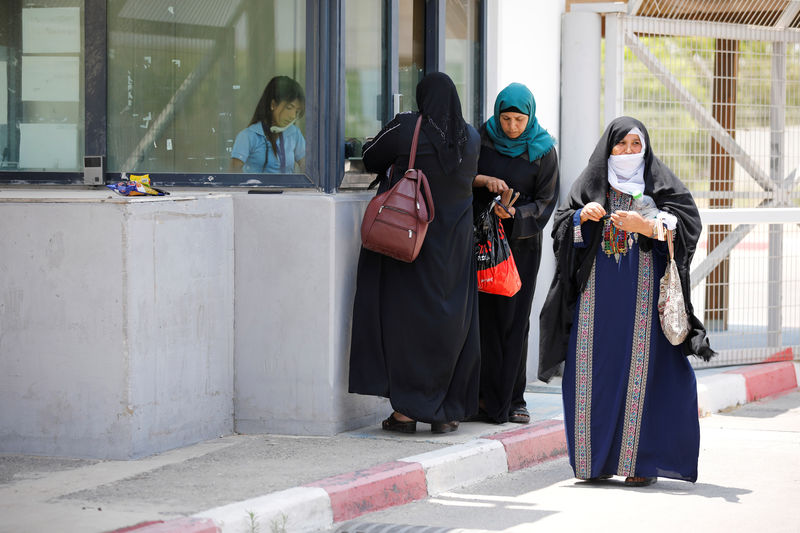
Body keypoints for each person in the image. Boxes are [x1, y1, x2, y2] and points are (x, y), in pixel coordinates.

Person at [539, 116, 715, 486]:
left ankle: (639, 465)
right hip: (595, 304)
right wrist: (580, 218)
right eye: (621, 145)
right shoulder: (589, 183)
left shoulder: (661, 186)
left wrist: (647, 227)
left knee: (644, 376)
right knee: (593, 375)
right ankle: (594, 462)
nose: (628, 152)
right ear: (608, 148)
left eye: (636, 145)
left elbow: (687, 226)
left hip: (644, 305)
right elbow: (559, 226)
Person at [348, 72, 481, 434]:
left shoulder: (409, 127)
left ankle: (406, 413)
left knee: (406, 324)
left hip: (410, 241)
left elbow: (370, 156)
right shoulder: (470, 137)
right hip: (454, 248)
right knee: (451, 323)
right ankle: (446, 411)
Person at [471, 83, 559, 424]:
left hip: (521, 248)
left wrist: (517, 214)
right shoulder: (483, 141)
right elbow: (466, 182)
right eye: (505, 119)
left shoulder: (543, 150)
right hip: (483, 245)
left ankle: (514, 399)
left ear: (530, 117)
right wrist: (484, 185)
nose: (511, 127)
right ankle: (481, 398)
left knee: (514, 320)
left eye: (518, 120)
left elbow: (546, 201)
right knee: (484, 319)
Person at [230, 76, 306, 173]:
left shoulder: (294, 134)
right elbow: (234, 174)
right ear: (273, 104)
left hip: (287, 188)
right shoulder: (248, 136)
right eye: (289, 108)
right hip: (255, 188)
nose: (292, 116)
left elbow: (307, 168)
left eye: (296, 111)